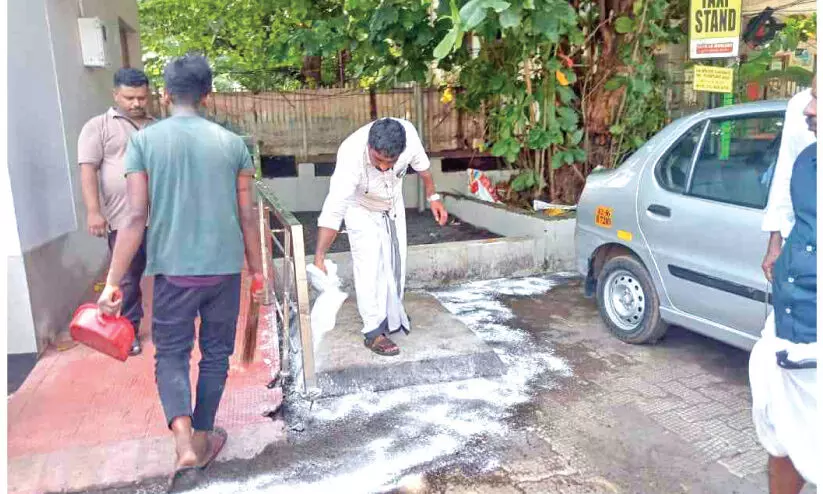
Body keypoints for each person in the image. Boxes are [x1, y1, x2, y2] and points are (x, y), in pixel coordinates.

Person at [96, 55, 264, 489]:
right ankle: (206, 433)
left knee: (171, 354)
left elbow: (135, 217)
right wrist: (258, 272)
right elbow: (248, 216)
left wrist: (113, 282)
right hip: (224, 272)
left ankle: (185, 441)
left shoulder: (145, 142)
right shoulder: (232, 144)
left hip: (172, 272)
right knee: (214, 354)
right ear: (207, 95)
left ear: (165, 94)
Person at [314, 118, 447, 356]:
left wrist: (433, 197)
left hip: (392, 204)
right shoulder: (351, 155)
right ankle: (373, 330)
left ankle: (391, 315)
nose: (385, 168)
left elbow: (423, 168)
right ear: (369, 147)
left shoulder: (409, 137)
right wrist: (320, 256)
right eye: (378, 161)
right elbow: (334, 210)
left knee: (396, 262)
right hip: (360, 207)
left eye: (391, 162)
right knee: (369, 267)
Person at [749, 81, 819, 493]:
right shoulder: (809, 158)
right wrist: (776, 241)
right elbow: (786, 194)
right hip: (790, 318)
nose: (808, 109)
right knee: (780, 433)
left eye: (818, 97)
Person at [78, 68, 154, 356]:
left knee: (169, 275)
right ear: (115, 95)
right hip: (123, 219)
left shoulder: (156, 126)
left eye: (141, 98)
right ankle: (129, 330)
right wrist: (93, 211)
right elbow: (88, 170)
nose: (136, 104)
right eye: (129, 98)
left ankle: (169, 327)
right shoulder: (98, 126)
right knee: (127, 279)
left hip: (160, 218)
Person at [761, 82, 816, 281]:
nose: (809, 110)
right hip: (797, 244)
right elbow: (785, 172)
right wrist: (774, 241)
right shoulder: (799, 105)